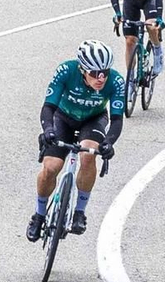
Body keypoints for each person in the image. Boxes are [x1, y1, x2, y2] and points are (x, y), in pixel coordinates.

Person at [30, 41, 126, 241]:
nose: (101, 78)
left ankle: (79, 211)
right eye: (94, 73)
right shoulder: (66, 70)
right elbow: (48, 107)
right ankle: (39, 215)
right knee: (50, 168)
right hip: (62, 117)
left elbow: (117, 120)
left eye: (105, 72)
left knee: (88, 154)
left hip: (93, 120)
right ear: (82, 69)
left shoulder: (116, 81)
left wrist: (109, 142)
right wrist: (48, 129)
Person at [109, 0, 165, 93]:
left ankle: (158, 51)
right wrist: (117, 14)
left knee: (152, 26)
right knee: (129, 41)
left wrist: (159, 16)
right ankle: (131, 78)